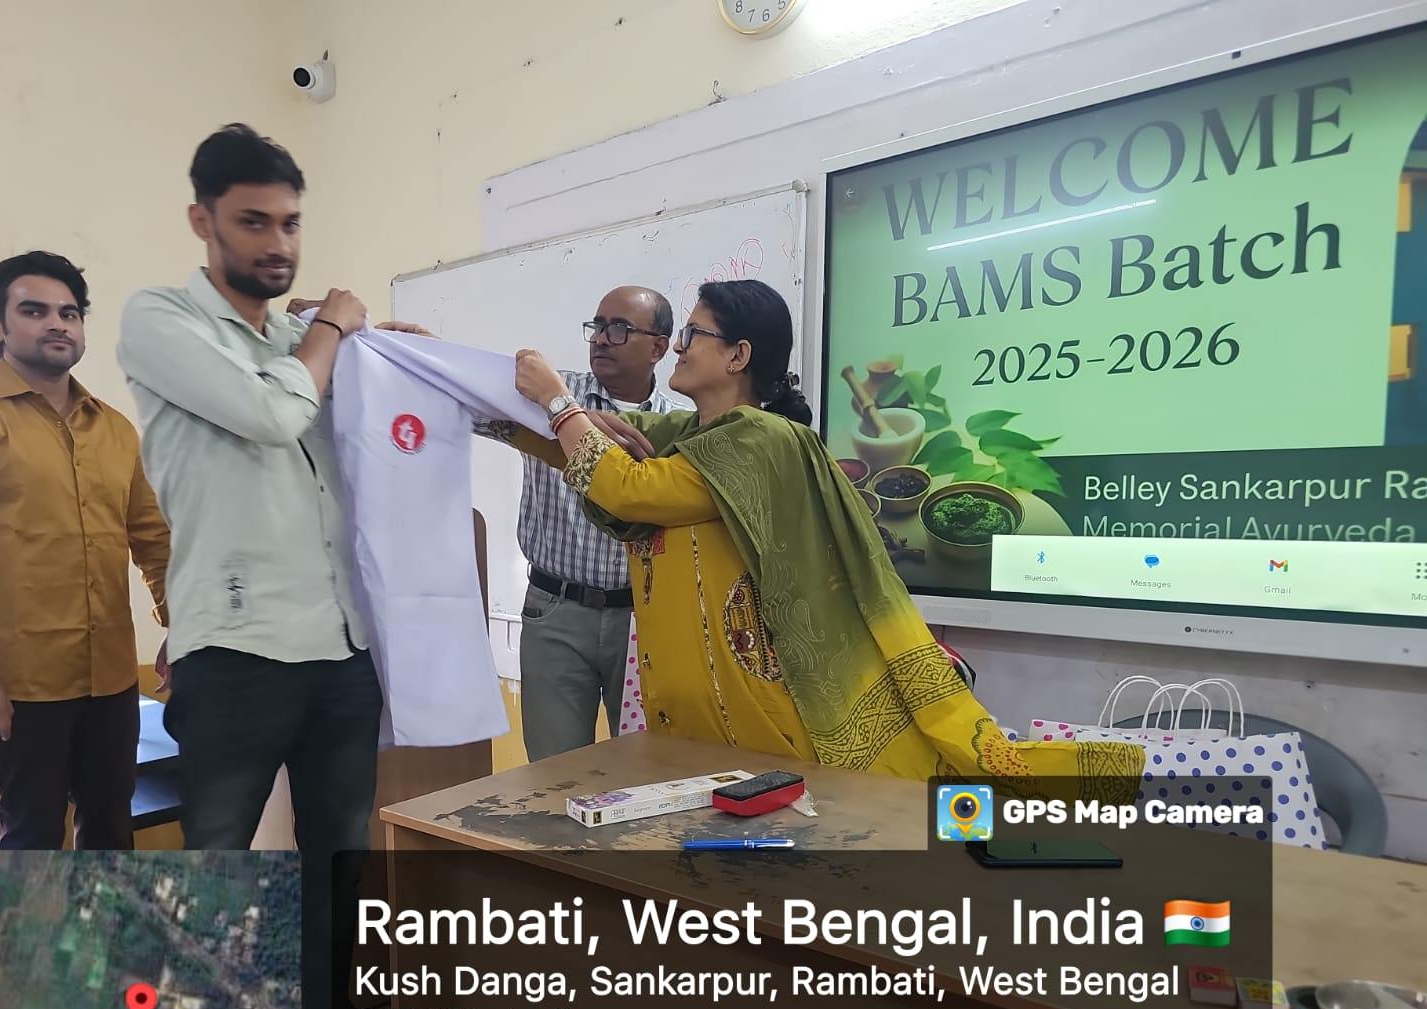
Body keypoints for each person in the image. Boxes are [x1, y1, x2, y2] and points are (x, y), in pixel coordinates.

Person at [117, 124, 424, 1009]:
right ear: (202, 221)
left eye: (291, 222)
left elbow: (370, 426)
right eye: (254, 221)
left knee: (340, 869)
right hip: (236, 649)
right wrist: (336, 327)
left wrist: (394, 356)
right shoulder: (161, 320)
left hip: (340, 646)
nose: (278, 243)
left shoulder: (306, 338)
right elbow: (267, 409)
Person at [511, 279, 1141, 785]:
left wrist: (559, 403)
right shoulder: (689, 436)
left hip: (750, 705)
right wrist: (484, 401)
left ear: (738, 355)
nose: (680, 347)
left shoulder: (762, 439)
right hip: (694, 701)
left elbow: (630, 488)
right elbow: (591, 454)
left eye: (694, 334)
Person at [0, 251, 170, 851]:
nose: (57, 324)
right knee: (32, 836)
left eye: (69, 313)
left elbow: (154, 540)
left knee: (111, 828)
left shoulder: (114, 429)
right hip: (20, 685)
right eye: (34, 311)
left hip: (111, 678)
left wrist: (183, 627)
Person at [478, 286, 690, 762]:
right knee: (553, 771)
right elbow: (477, 404)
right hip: (556, 611)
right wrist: (427, 350)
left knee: (647, 766)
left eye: (620, 328)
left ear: (658, 347)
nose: (601, 338)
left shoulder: (680, 425)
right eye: (597, 326)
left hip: (644, 618)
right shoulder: (549, 395)